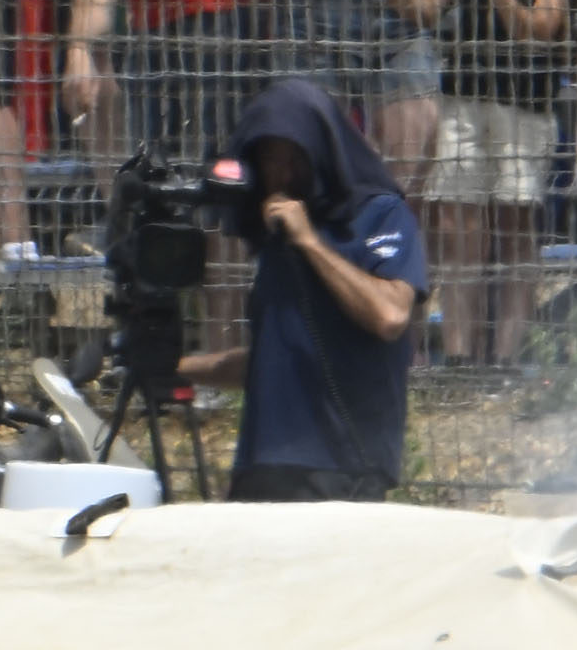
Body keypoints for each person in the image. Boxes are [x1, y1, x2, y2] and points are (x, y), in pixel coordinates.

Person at [179, 69, 424, 498]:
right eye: (270, 160)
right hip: (267, 463)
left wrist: (310, 242)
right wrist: (176, 367)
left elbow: (390, 315)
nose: (283, 174)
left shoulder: (379, 215)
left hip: (343, 468)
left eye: (295, 158)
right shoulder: (274, 237)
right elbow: (277, 360)